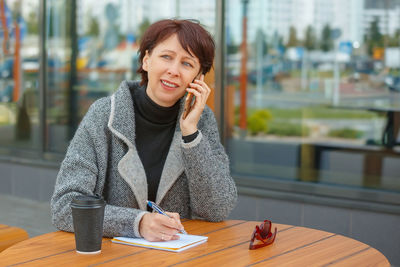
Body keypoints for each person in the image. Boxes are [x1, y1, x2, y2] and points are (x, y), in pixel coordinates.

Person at [50, 19, 237, 242]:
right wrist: (137, 223)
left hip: (178, 258)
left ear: (198, 77)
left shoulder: (201, 120)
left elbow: (217, 209)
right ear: (146, 60)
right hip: (112, 259)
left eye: (187, 64)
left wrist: (190, 134)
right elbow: (65, 206)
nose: (174, 71)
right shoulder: (104, 115)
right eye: (166, 57)